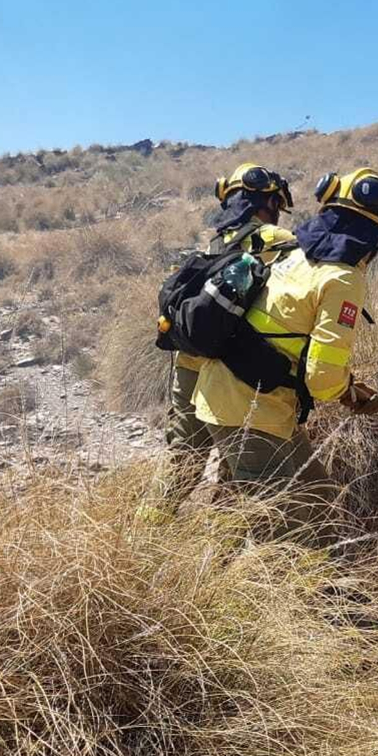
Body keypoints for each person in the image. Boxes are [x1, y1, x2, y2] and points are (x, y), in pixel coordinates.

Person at [190, 166, 378, 537]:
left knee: (316, 497)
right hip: (250, 411)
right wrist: (352, 394)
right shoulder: (343, 278)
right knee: (291, 531)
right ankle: (257, 590)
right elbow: (322, 380)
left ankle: (214, 570)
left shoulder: (294, 254)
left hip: (227, 395)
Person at [146, 163, 297, 516]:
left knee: (183, 456)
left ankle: (146, 531)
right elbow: (317, 264)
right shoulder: (274, 240)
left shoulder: (217, 241)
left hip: (190, 361)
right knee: (237, 470)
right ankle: (221, 547)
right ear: (270, 202)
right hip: (234, 375)